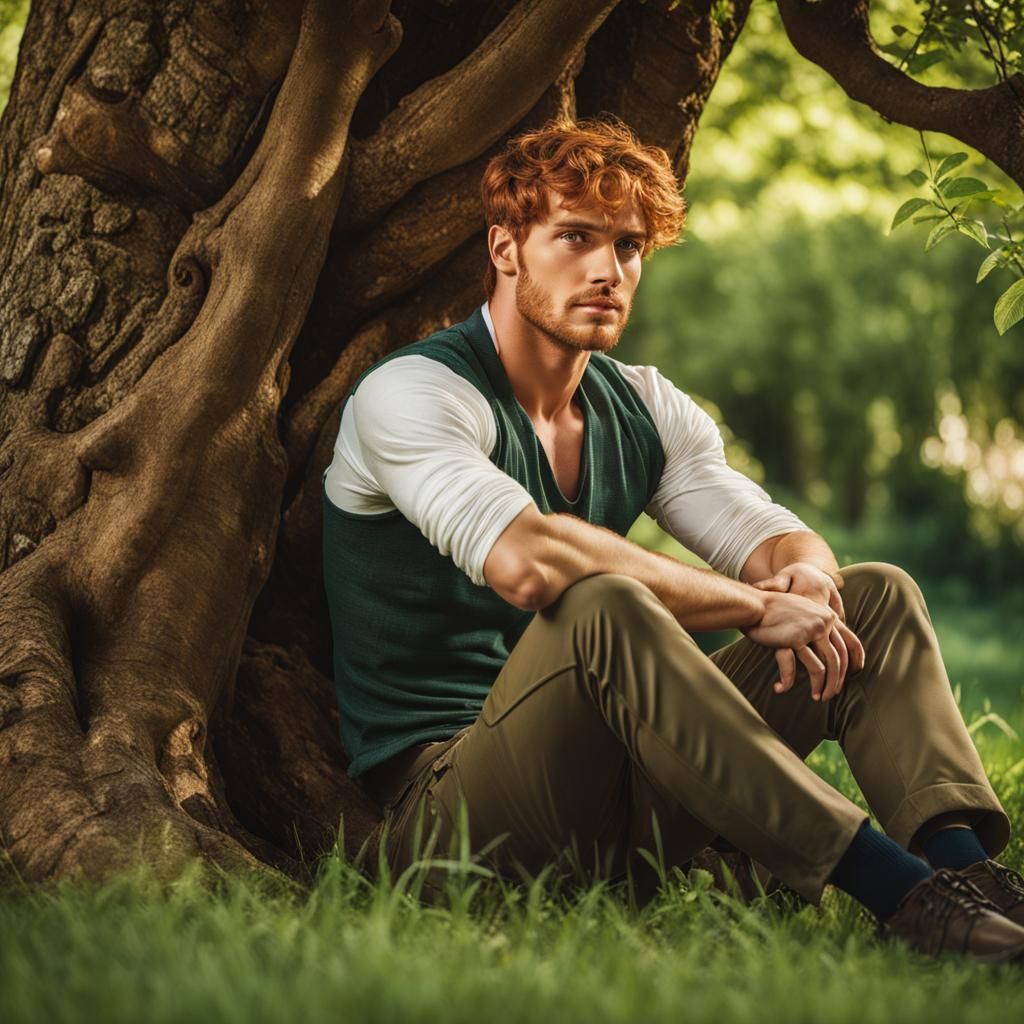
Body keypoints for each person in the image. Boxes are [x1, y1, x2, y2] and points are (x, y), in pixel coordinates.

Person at [322, 115, 1024, 962]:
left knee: (874, 595)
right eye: (574, 237)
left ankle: (975, 892)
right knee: (602, 605)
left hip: (624, 793)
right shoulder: (411, 393)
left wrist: (802, 581)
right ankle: (900, 894)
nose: (606, 270)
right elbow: (530, 562)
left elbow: (775, 538)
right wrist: (752, 606)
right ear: (506, 250)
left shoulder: (642, 405)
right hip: (453, 816)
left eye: (627, 246)